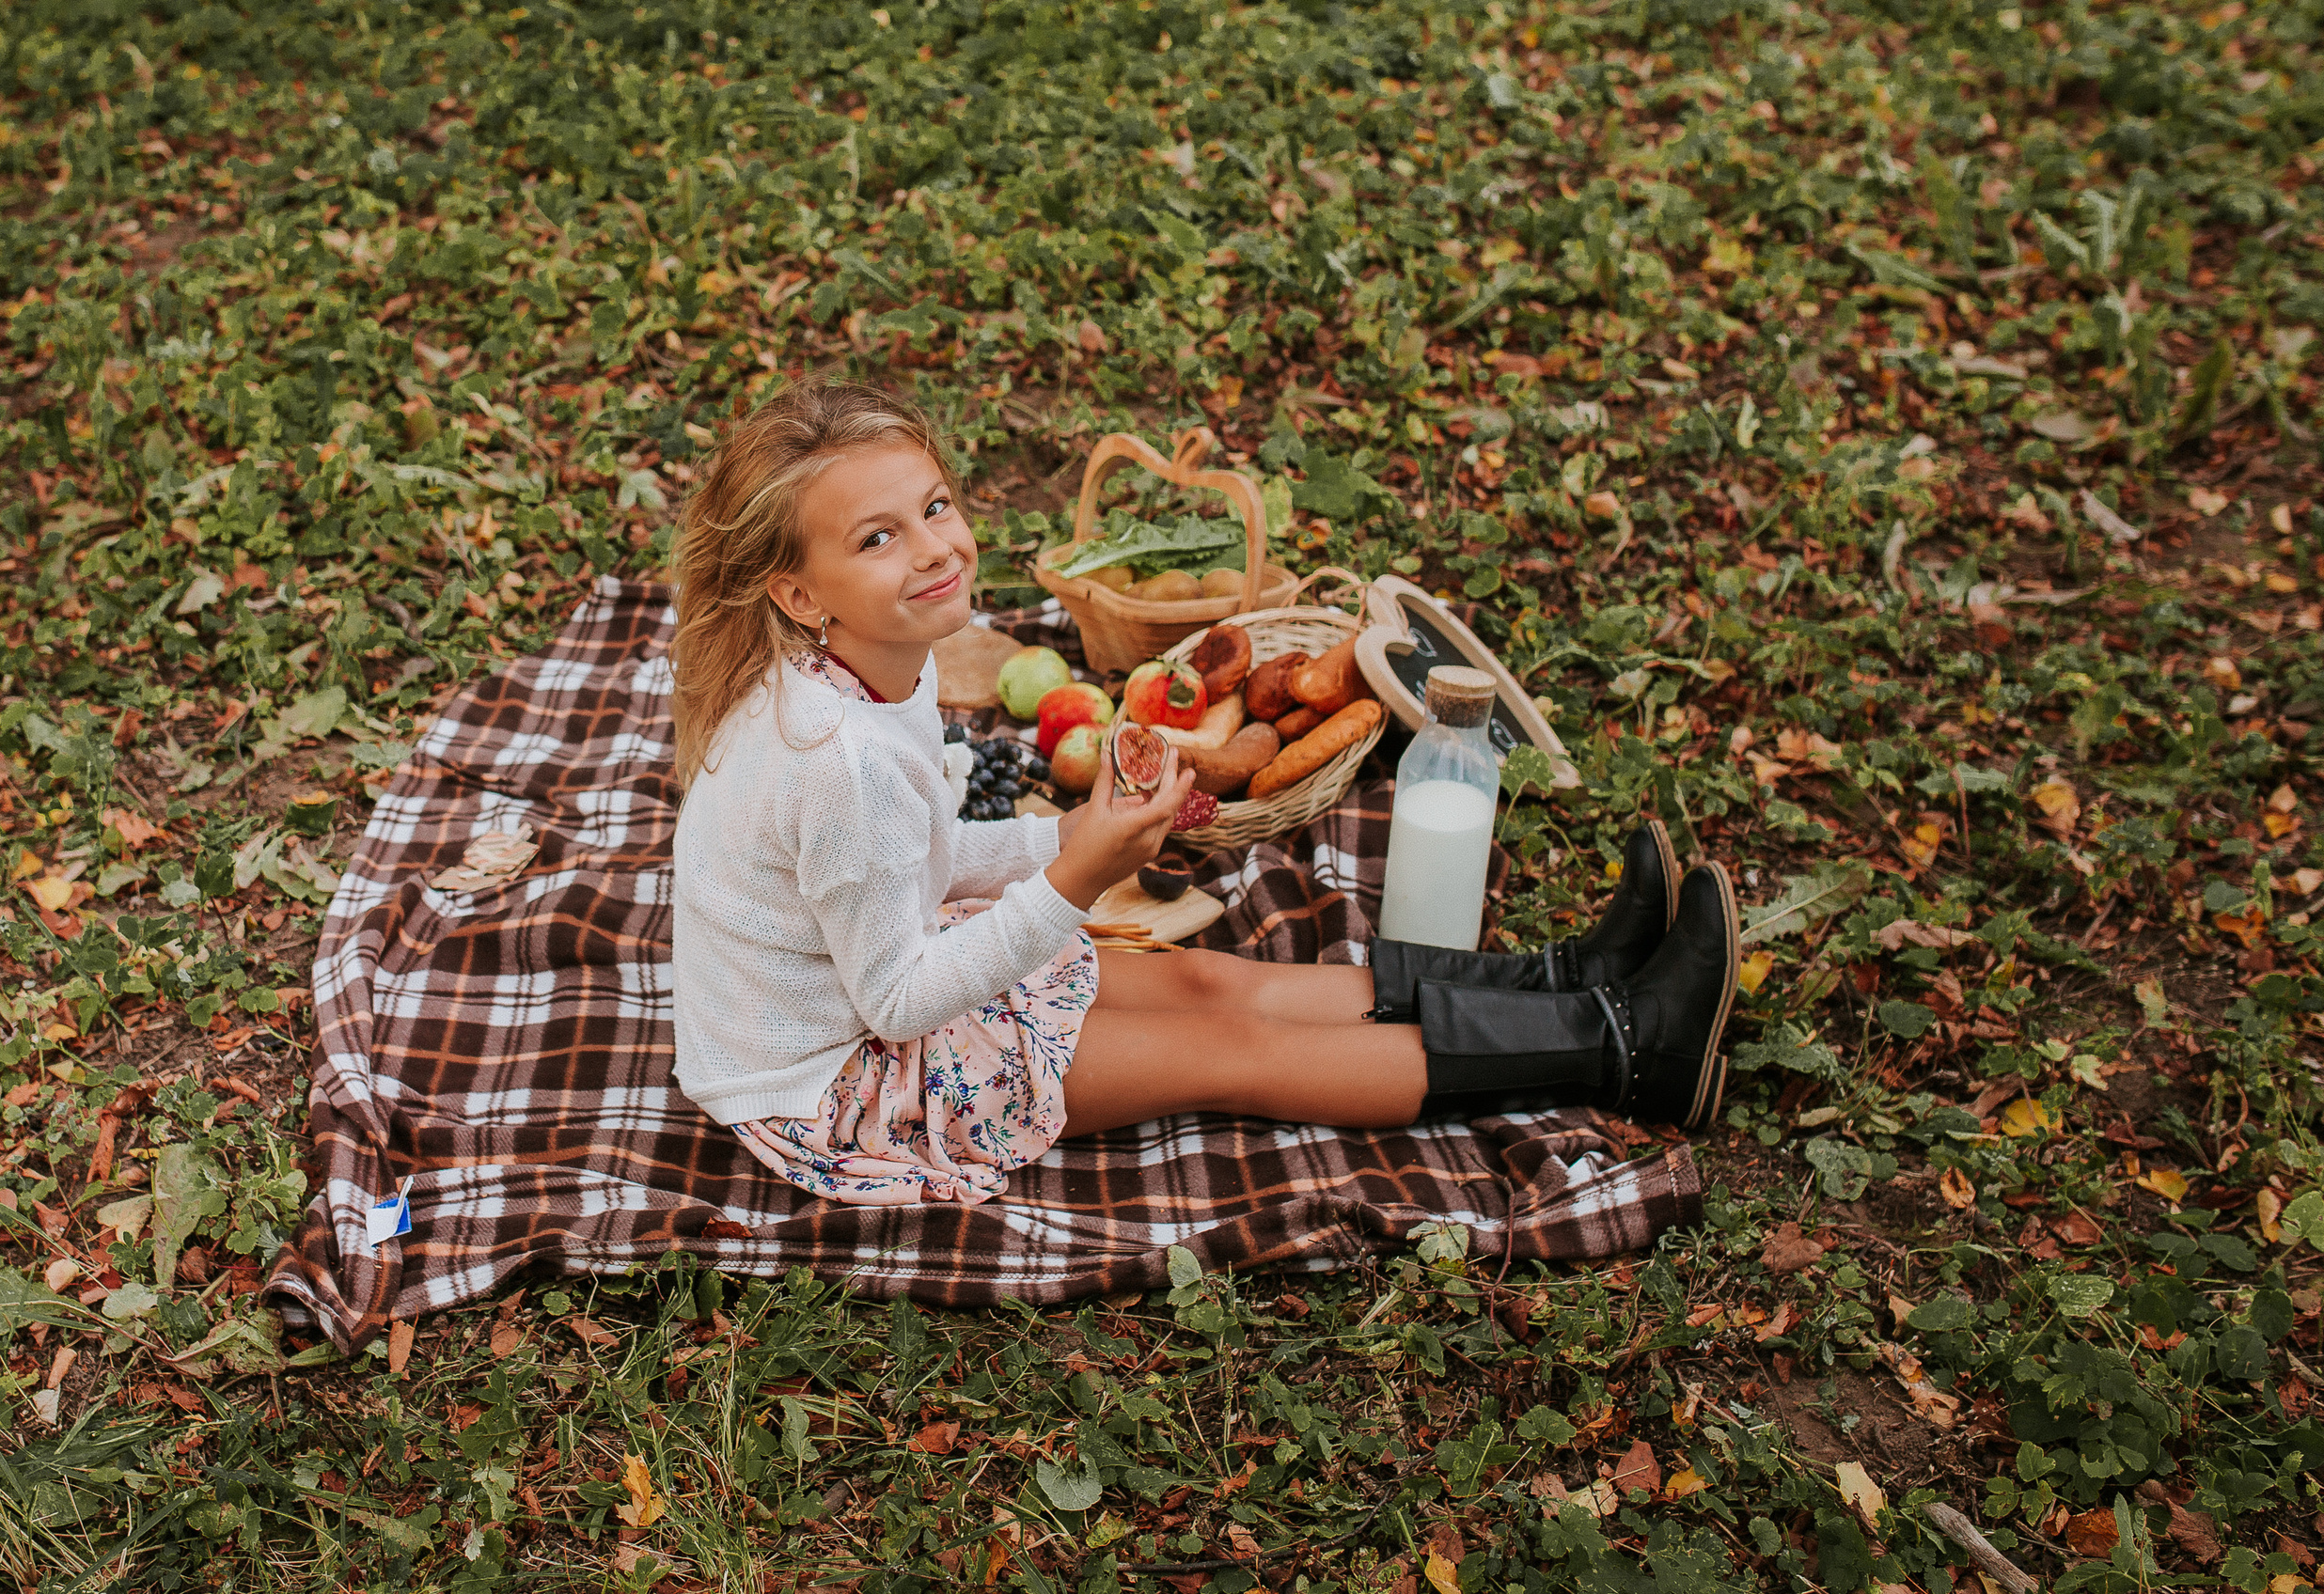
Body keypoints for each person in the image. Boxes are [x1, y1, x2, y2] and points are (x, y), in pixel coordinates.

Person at [668, 382, 1741, 1205]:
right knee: (1233, 1052)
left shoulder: (863, 668)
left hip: (873, 984)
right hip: (835, 1084)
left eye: (933, 505)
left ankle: (1569, 981)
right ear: (799, 593)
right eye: (877, 538)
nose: (935, 548)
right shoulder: (832, 761)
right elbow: (895, 1002)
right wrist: (1079, 874)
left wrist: (1069, 833)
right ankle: (1630, 1051)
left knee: (1207, 985)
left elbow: (927, 854)